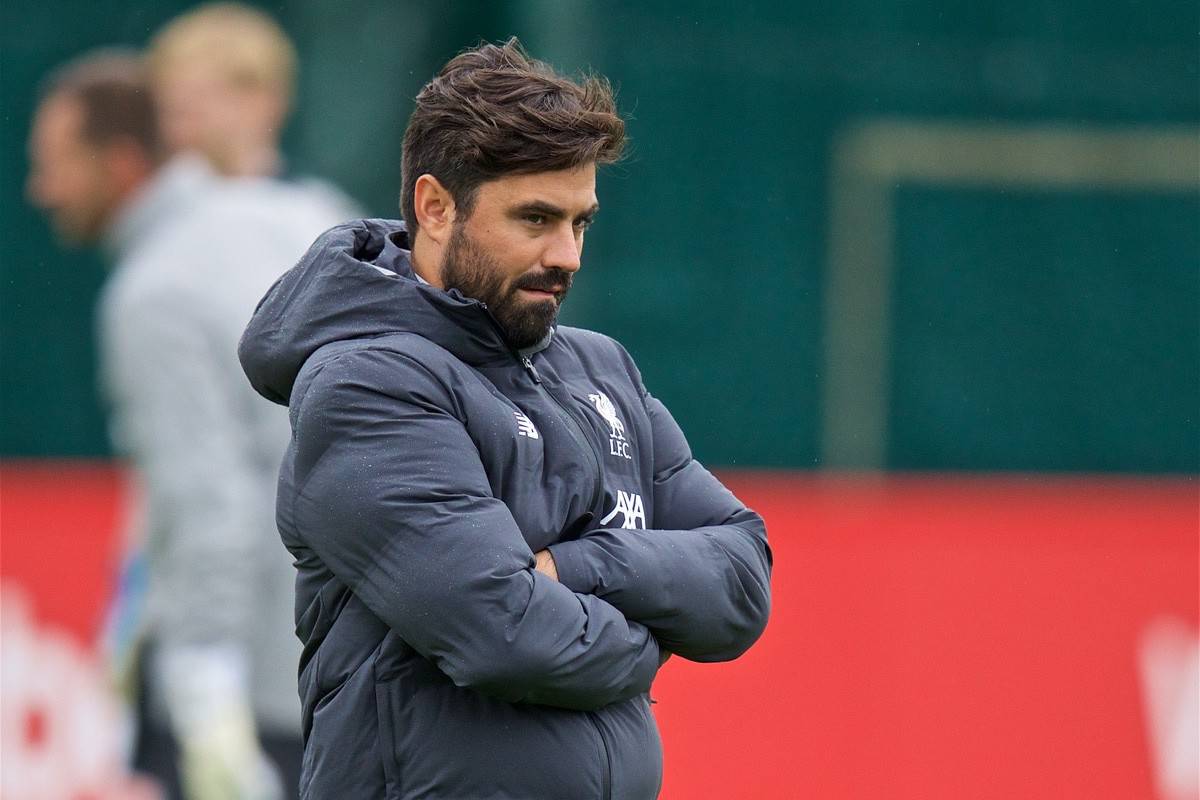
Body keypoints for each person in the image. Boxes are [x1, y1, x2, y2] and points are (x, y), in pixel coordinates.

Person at [238, 38, 773, 798]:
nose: (568, 255)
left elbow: (744, 578)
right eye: (535, 218)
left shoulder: (601, 369)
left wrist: (586, 567)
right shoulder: (366, 383)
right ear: (435, 206)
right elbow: (511, 637)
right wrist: (652, 636)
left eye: (581, 222)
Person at [26, 51, 350, 800]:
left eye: (58, 164)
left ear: (123, 162)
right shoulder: (309, 215)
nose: (42, 190)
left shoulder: (155, 292)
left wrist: (207, 693)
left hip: (256, 683)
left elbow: (208, 507)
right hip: (355, 660)